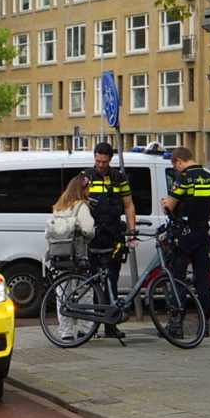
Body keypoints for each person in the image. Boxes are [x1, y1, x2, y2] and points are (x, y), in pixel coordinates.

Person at [160, 147, 210, 337]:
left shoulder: (183, 178)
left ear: (178, 161)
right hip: (202, 233)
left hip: (183, 235)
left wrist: (164, 203)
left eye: (175, 166)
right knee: (203, 279)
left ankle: (177, 325)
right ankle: (205, 325)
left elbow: (169, 206)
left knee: (178, 279)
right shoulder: (209, 177)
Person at [82, 142, 136, 339]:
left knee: (112, 281)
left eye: (104, 161)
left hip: (113, 234)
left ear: (110, 160)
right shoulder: (86, 176)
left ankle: (110, 326)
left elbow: (129, 205)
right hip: (93, 235)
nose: (101, 165)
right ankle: (95, 326)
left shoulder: (118, 178)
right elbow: (74, 200)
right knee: (94, 281)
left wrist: (132, 231)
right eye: (97, 160)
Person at [49, 175, 96, 341]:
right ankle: (85, 329)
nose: (89, 191)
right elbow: (89, 230)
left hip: (59, 256)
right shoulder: (81, 206)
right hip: (77, 256)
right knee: (85, 291)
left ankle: (66, 332)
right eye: (88, 188)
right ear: (82, 190)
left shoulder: (58, 207)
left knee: (62, 293)